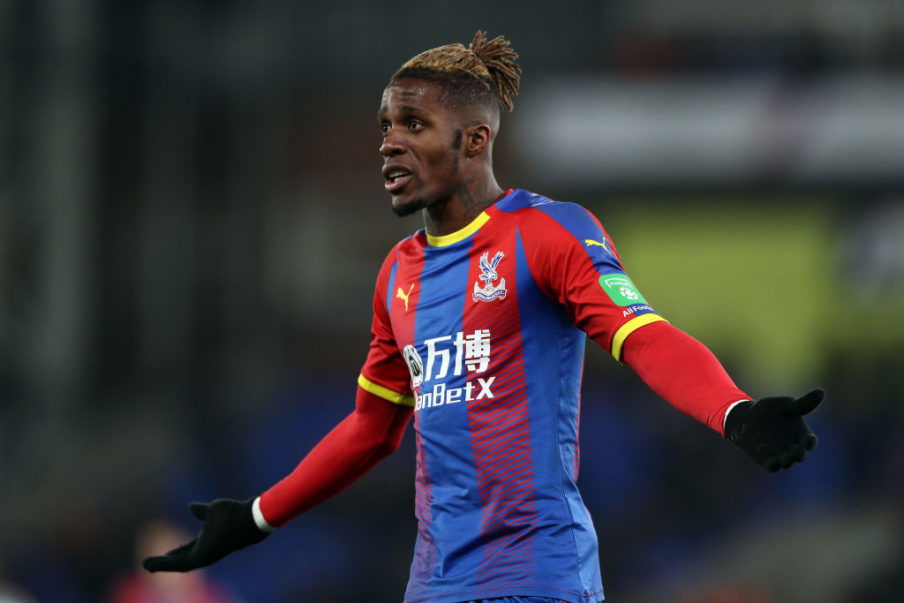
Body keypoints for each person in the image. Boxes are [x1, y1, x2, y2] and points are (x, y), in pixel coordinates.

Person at [143, 31, 823, 603]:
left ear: (473, 138)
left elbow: (640, 335)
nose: (389, 146)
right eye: (386, 127)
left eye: (413, 125)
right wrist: (257, 516)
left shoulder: (548, 233)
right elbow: (369, 430)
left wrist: (734, 412)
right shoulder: (398, 275)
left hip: (538, 574)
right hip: (436, 582)